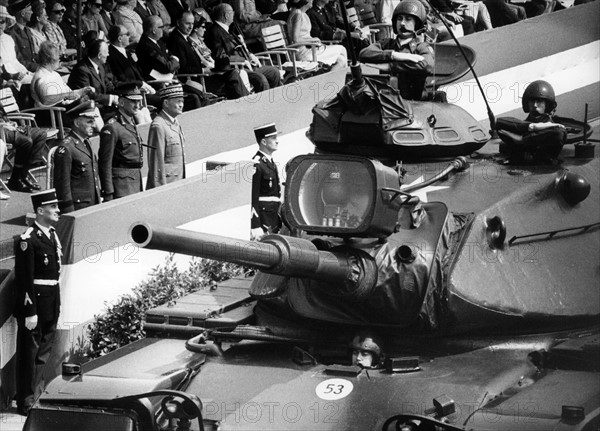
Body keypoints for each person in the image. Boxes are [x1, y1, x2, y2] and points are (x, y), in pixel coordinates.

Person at [13, 188, 62, 416]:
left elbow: (54, 275)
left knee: (43, 352)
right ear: (40, 211)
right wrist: (29, 310)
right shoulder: (28, 239)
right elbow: (24, 278)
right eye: (53, 207)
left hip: (51, 302)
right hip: (35, 305)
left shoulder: (52, 235)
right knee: (30, 354)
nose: (58, 210)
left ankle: (36, 394)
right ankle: (25, 400)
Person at [359, 0, 434, 100]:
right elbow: (364, 54)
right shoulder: (386, 44)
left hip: (414, 102)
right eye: (399, 19)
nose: (402, 23)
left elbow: (427, 65)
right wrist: (394, 55)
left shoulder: (421, 47)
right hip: (387, 101)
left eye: (408, 19)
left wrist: (391, 66)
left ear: (417, 24)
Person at [205, 3, 282, 92]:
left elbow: (238, 48)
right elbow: (220, 57)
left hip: (248, 66)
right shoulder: (215, 32)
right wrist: (242, 60)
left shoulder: (227, 29)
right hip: (237, 70)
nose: (234, 14)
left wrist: (250, 55)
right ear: (226, 15)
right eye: (232, 12)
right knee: (260, 79)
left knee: (274, 72)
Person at [496, 80, 567, 163]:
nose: (535, 105)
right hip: (519, 163)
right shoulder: (521, 128)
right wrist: (531, 126)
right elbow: (500, 122)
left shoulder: (555, 130)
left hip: (543, 167)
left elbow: (559, 134)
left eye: (539, 101)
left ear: (547, 105)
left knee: (559, 132)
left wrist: (523, 139)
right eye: (532, 101)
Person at [53, 101, 102, 212]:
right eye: (89, 122)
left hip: (91, 204)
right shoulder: (67, 148)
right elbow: (62, 186)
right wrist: (68, 212)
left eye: (93, 121)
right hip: (77, 208)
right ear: (77, 122)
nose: (93, 125)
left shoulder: (86, 143)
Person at [98, 81, 144, 200]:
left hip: (135, 181)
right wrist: (108, 192)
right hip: (121, 186)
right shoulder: (112, 127)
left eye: (139, 101)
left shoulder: (130, 122)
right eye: (133, 101)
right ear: (122, 102)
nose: (138, 105)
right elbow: (105, 163)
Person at [0, 99, 47, 192]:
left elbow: (3, 115)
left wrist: (9, 122)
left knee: (41, 134)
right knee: (26, 141)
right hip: (1, 131)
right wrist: (3, 125)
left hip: (8, 127)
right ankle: (16, 179)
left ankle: (23, 173)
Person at [31, 41, 95, 108]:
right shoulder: (41, 76)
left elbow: (70, 93)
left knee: (91, 103)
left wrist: (82, 91)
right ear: (49, 59)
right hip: (53, 113)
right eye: (58, 57)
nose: (60, 59)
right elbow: (45, 100)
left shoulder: (54, 74)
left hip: (64, 108)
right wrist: (67, 95)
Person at [146, 81, 186, 189]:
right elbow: (156, 164)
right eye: (178, 101)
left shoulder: (175, 123)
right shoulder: (158, 126)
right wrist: (160, 191)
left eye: (182, 101)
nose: (181, 105)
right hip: (166, 187)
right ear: (166, 103)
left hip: (177, 184)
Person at [287, 0, 347, 70]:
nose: (313, 0)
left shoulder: (302, 14)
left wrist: (315, 41)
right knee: (342, 49)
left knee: (341, 60)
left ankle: (332, 79)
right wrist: (312, 40)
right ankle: (346, 76)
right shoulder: (298, 14)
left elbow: (303, 36)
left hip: (310, 49)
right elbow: (295, 39)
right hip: (303, 53)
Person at [68, 39, 120, 118]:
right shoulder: (81, 69)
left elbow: (108, 86)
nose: (108, 55)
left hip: (101, 107)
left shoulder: (100, 66)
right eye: (107, 52)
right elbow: (87, 94)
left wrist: (122, 95)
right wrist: (110, 98)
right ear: (99, 55)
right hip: (88, 110)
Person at [250, 123, 282, 240]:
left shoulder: (271, 163)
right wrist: (255, 225)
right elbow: (253, 197)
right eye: (273, 138)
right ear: (263, 142)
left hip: (272, 218)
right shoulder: (257, 164)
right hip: (263, 219)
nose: (277, 141)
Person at [6, 0, 38, 72]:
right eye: (30, 10)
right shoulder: (11, 33)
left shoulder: (27, 30)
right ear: (23, 13)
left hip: (33, 69)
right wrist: (39, 68)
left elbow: (33, 56)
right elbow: (19, 61)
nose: (32, 12)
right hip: (24, 72)